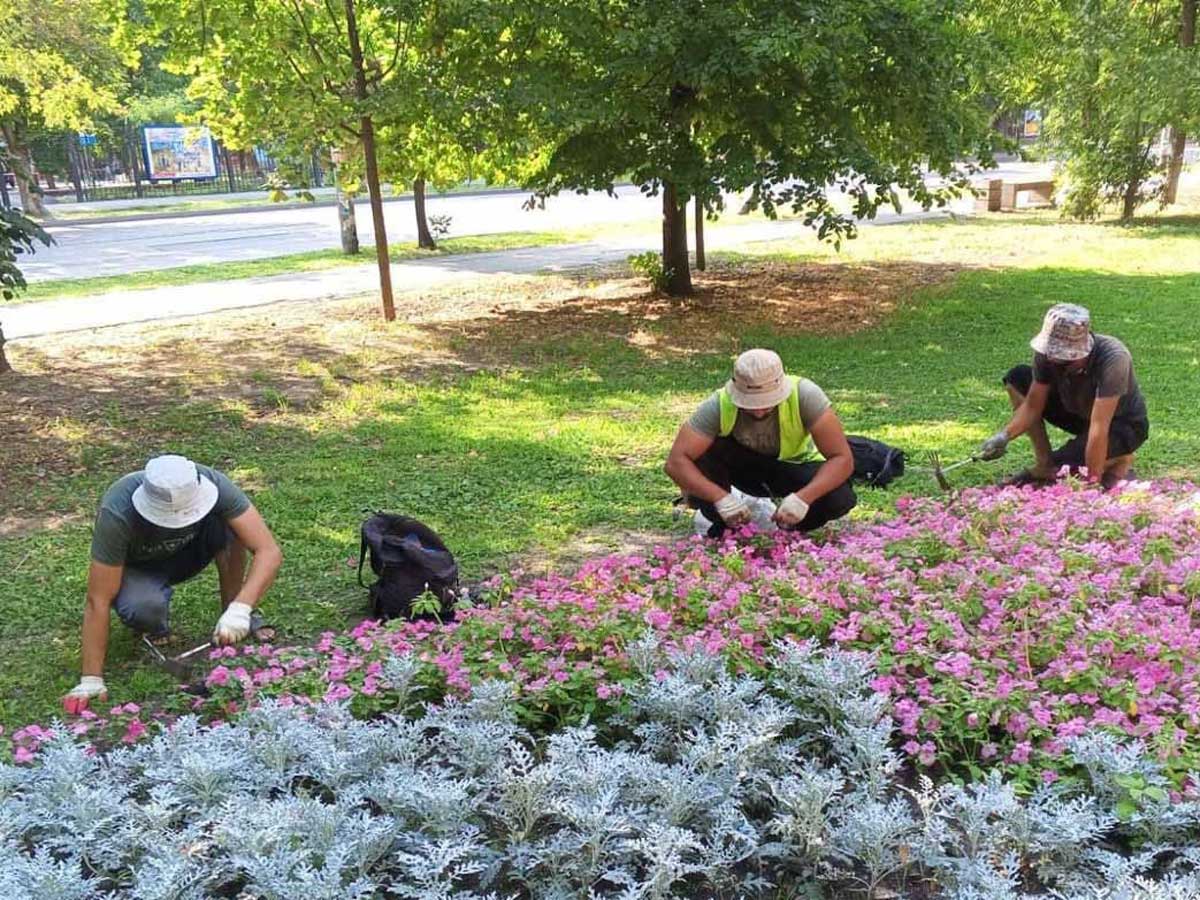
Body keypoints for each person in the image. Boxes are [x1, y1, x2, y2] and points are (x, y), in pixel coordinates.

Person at [62, 455, 283, 713]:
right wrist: (91, 679)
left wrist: (241, 608)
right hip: (141, 567)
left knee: (234, 528)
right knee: (143, 607)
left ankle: (232, 613)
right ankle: (154, 627)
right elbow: (98, 599)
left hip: (192, 551)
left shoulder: (213, 483)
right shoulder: (118, 510)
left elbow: (269, 551)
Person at [665, 348, 856, 536]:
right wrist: (720, 498)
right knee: (702, 453)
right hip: (745, 470)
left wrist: (803, 498)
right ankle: (726, 524)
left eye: (766, 403)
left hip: (794, 469)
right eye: (749, 403)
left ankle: (789, 530)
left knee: (839, 497)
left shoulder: (805, 395)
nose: (758, 412)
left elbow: (842, 458)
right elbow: (676, 462)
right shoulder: (718, 404)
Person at [979, 303, 1149, 487]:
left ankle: (1120, 459)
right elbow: (1032, 406)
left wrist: (1092, 483)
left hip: (1121, 425)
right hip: (1079, 413)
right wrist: (1004, 436)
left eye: (1065, 361)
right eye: (1052, 357)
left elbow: (1099, 427)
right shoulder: (1047, 355)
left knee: (1063, 467)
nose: (1055, 363)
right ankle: (1044, 464)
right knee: (1017, 377)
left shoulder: (1113, 359)